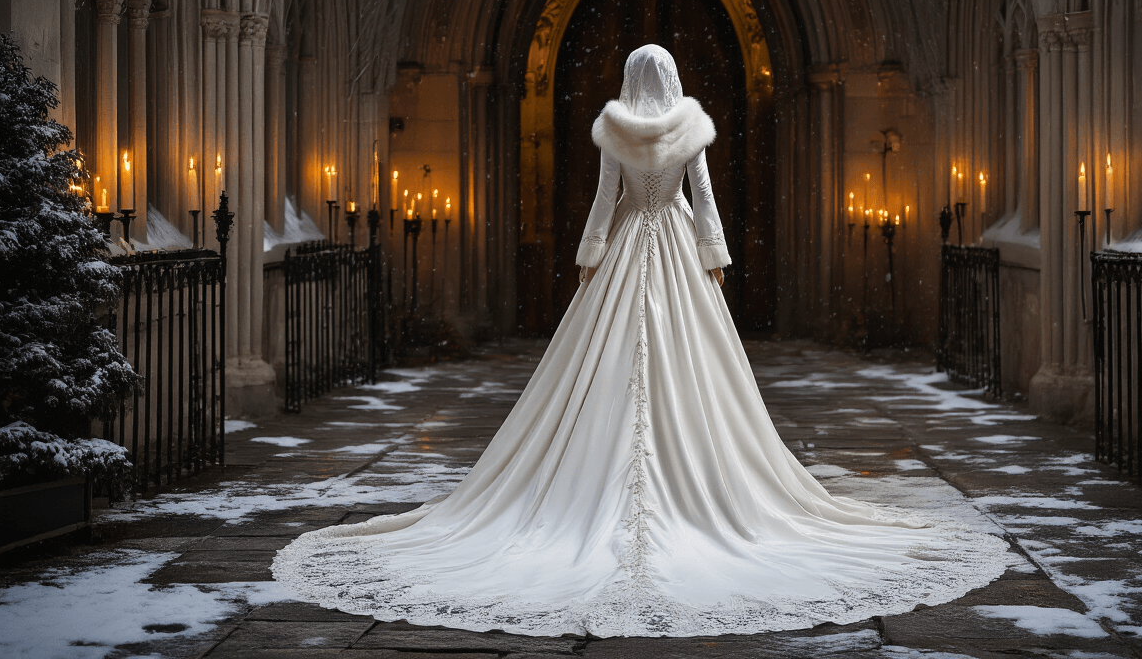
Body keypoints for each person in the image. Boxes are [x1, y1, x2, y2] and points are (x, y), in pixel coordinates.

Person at [273, 45, 1008, 638]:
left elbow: (605, 199)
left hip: (630, 241)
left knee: (606, 358)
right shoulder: (689, 128)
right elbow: (705, 197)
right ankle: (697, 473)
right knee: (693, 363)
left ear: (630, 81)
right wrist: (715, 258)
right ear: (674, 80)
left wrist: (590, 257)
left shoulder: (616, 130)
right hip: (677, 243)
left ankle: (595, 478)